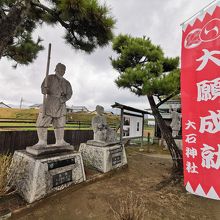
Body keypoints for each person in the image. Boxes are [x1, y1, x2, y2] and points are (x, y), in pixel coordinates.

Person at [35, 63, 72, 147]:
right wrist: (44, 90)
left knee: (60, 123)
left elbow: (69, 94)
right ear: (56, 69)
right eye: (61, 69)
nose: (63, 71)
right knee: (42, 121)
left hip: (61, 104)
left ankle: (60, 141)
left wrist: (63, 99)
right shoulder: (50, 78)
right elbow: (43, 88)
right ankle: (42, 141)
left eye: (64, 70)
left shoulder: (67, 83)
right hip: (49, 102)